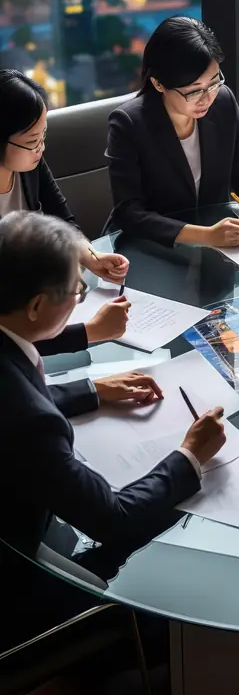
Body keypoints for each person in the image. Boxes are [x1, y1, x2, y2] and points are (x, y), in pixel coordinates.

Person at [0, 211, 227, 562]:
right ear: (36, 306)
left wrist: (92, 391)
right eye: (78, 289)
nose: (81, 298)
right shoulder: (34, 425)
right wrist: (191, 455)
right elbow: (114, 519)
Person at [105, 16, 239, 249]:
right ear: (158, 84)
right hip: (151, 248)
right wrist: (206, 236)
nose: (207, 98)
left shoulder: (223, 102)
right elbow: (129, 213)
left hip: (219, 250)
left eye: (214, 82)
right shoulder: (129, 123)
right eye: (193, 91)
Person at [0, 69, 130, 353]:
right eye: (32, 140)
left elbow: (63, 219)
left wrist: (89, 256)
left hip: (40, 303)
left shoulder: (29, 166)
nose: (41, 148)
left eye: (43, 135)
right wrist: (90, 332)